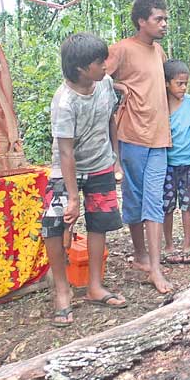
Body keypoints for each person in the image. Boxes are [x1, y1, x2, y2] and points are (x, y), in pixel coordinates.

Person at [42, 32, 127, 326]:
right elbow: (66, 152)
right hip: (66, 169)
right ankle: (62, 291)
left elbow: (111, 120)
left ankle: (94, 285)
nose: (105, 66)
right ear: (80, 68)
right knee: (54, 225)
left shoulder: (105, 84)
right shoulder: (64, 102)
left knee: (99, 223)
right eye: (99, 62)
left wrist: (115, 159)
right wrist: (72, 197)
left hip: (100, 165)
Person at [106, 0, 173, 294]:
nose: (164, 24)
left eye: (165, 19)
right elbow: (96, 78)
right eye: (159, 19)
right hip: (131, 135)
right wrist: (118, 85)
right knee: (134, 197)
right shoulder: (121, 49)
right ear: (141, 21)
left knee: (154, 199)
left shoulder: (159, 51)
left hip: (160, 137)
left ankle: (155, 268)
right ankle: (140, 254)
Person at [162, 59, 190, 265]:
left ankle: (187, 244)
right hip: (166, 163)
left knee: (188, 205)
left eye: (186, 83)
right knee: (166, 206)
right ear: (167, 83)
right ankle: (168, 245)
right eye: (179, 83)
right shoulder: (161, 104)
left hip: (188, 161)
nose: (184, 87)